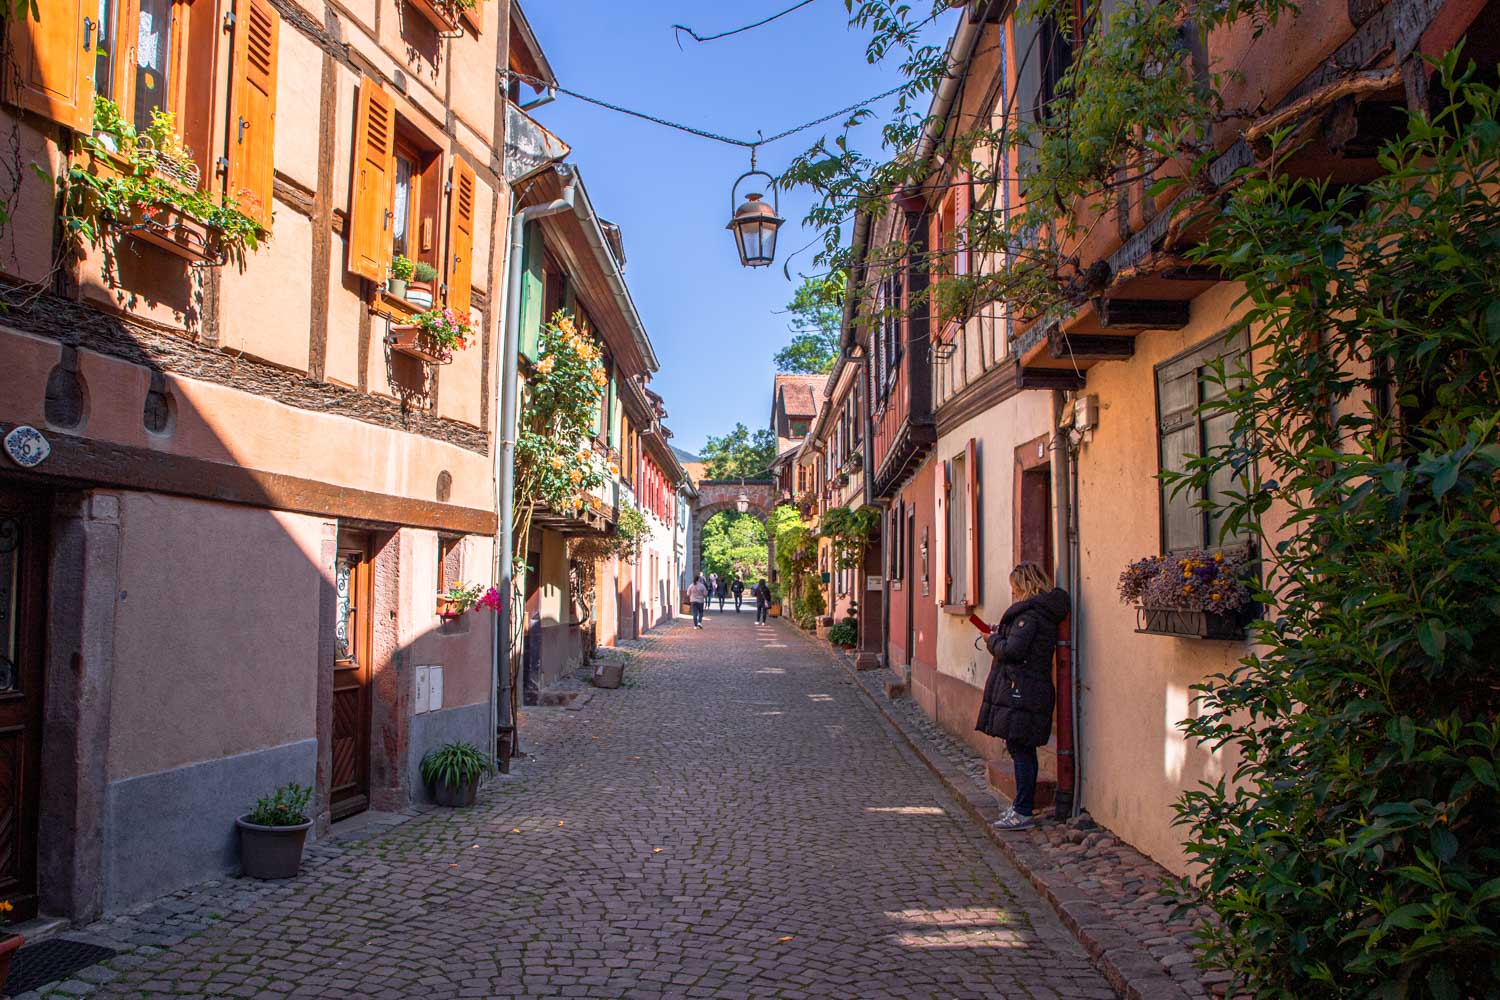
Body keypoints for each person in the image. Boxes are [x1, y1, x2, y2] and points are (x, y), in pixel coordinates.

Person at [975, 562, 1069, 831]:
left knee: (1021, 748)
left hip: (1022, 689)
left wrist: (992, 640)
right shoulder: (1038, 614)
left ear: (1024, 585)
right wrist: (1001, 633)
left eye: (1015, 588)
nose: (1013, 593)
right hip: (1029, 687)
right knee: (1020, 747)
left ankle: (1023, 810)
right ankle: (1020, 806)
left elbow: (1014, 651)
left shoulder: (1030, 616)